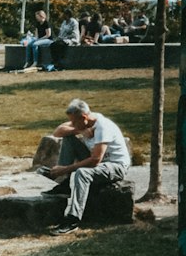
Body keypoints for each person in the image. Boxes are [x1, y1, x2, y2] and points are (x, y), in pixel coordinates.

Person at [42, 98, 130, 234]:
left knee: (82, 173)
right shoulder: (87, 122)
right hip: (99, 163)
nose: (72, 124)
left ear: (84, 117)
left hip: (115, 166)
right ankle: (66, 184)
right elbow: (58, 132)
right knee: (68, 139)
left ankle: (72, 220)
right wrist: (78, 130)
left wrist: (65, 169)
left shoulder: (103, 127)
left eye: (74, 122)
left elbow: (95, 160)